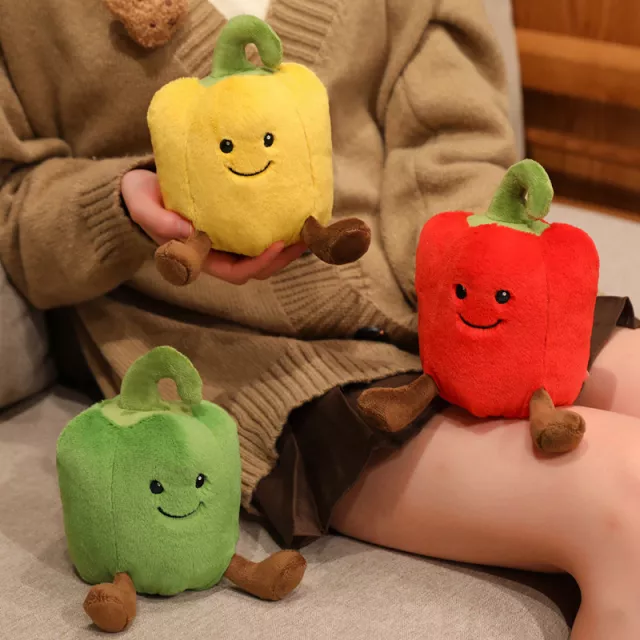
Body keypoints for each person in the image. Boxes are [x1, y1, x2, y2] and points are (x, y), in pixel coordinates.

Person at [0, 0, 637, 637]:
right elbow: (16, 212)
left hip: (460, 296)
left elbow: (453, 139)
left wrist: (470, 288)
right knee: (626, 503)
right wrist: (127, 204)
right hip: (259, 364)